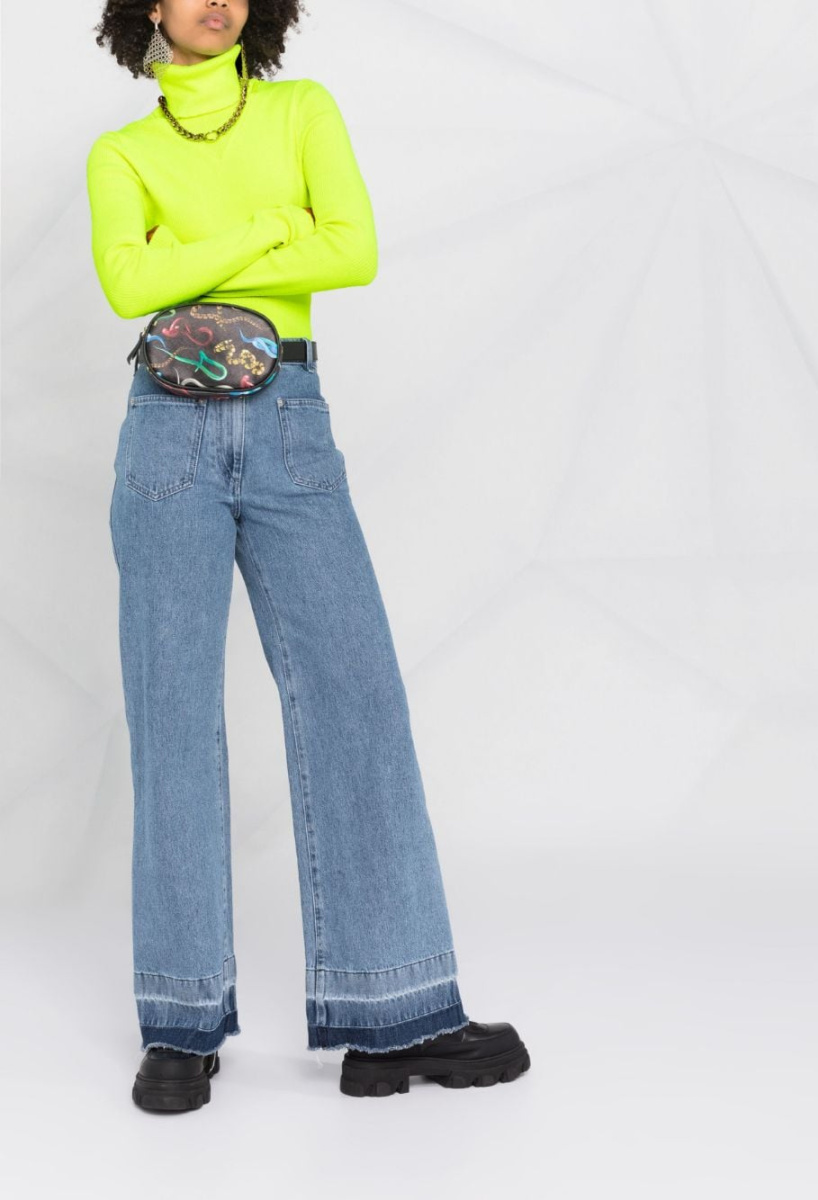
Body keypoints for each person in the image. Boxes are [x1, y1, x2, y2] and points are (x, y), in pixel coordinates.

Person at [88, 0, 530, 1112]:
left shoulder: (301, 111)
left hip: (289, 415)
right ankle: (180, 1026)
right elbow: (127, 288)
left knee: (356, 695)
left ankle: (395, 1015)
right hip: (166, 432)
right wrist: (273, 229)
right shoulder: (122, 151)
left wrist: (192, 260)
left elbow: (356, 251)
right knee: (173, 716)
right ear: (146, 7)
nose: (217, 0)